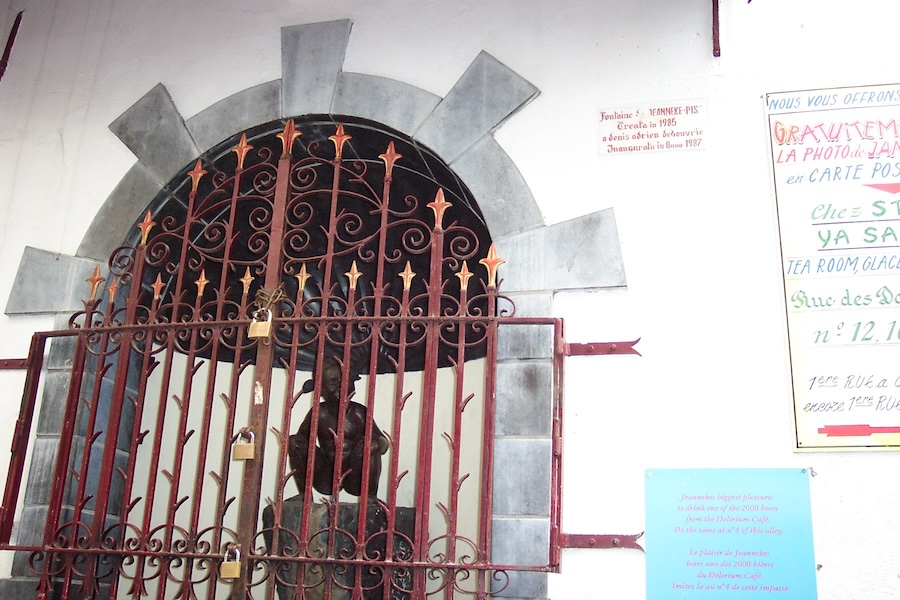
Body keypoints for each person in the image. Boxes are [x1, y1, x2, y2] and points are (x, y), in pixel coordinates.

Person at [288, 357, 389, 498]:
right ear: (320, 388)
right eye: (333, 381)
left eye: (344, 381)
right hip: (327, 476)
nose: (340, 386)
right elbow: (300, 441)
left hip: (355, 474)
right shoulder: (319, 413)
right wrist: (295, 444)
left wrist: (376, 445)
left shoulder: (359, 412)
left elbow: (383, 442)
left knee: (371, 446)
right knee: (294, 442)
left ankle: (370, 498)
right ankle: (304, 496)